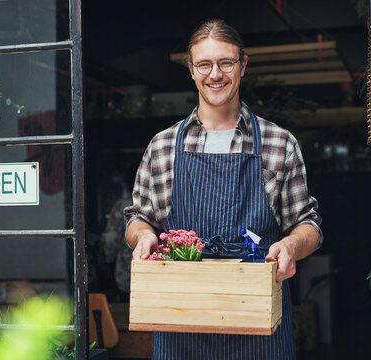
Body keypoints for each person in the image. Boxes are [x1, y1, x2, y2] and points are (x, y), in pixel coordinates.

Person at [123, 19, 322, 360]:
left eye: (225, 62)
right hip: (180, 324)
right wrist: (143, 236)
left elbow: (309, 225)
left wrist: (292, 244)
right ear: (191, 70)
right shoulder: (163, 146)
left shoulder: (278, 143)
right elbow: (139, 218)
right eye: (204, 64)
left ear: (242, 65)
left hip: (259, 324)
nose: (215, 74)